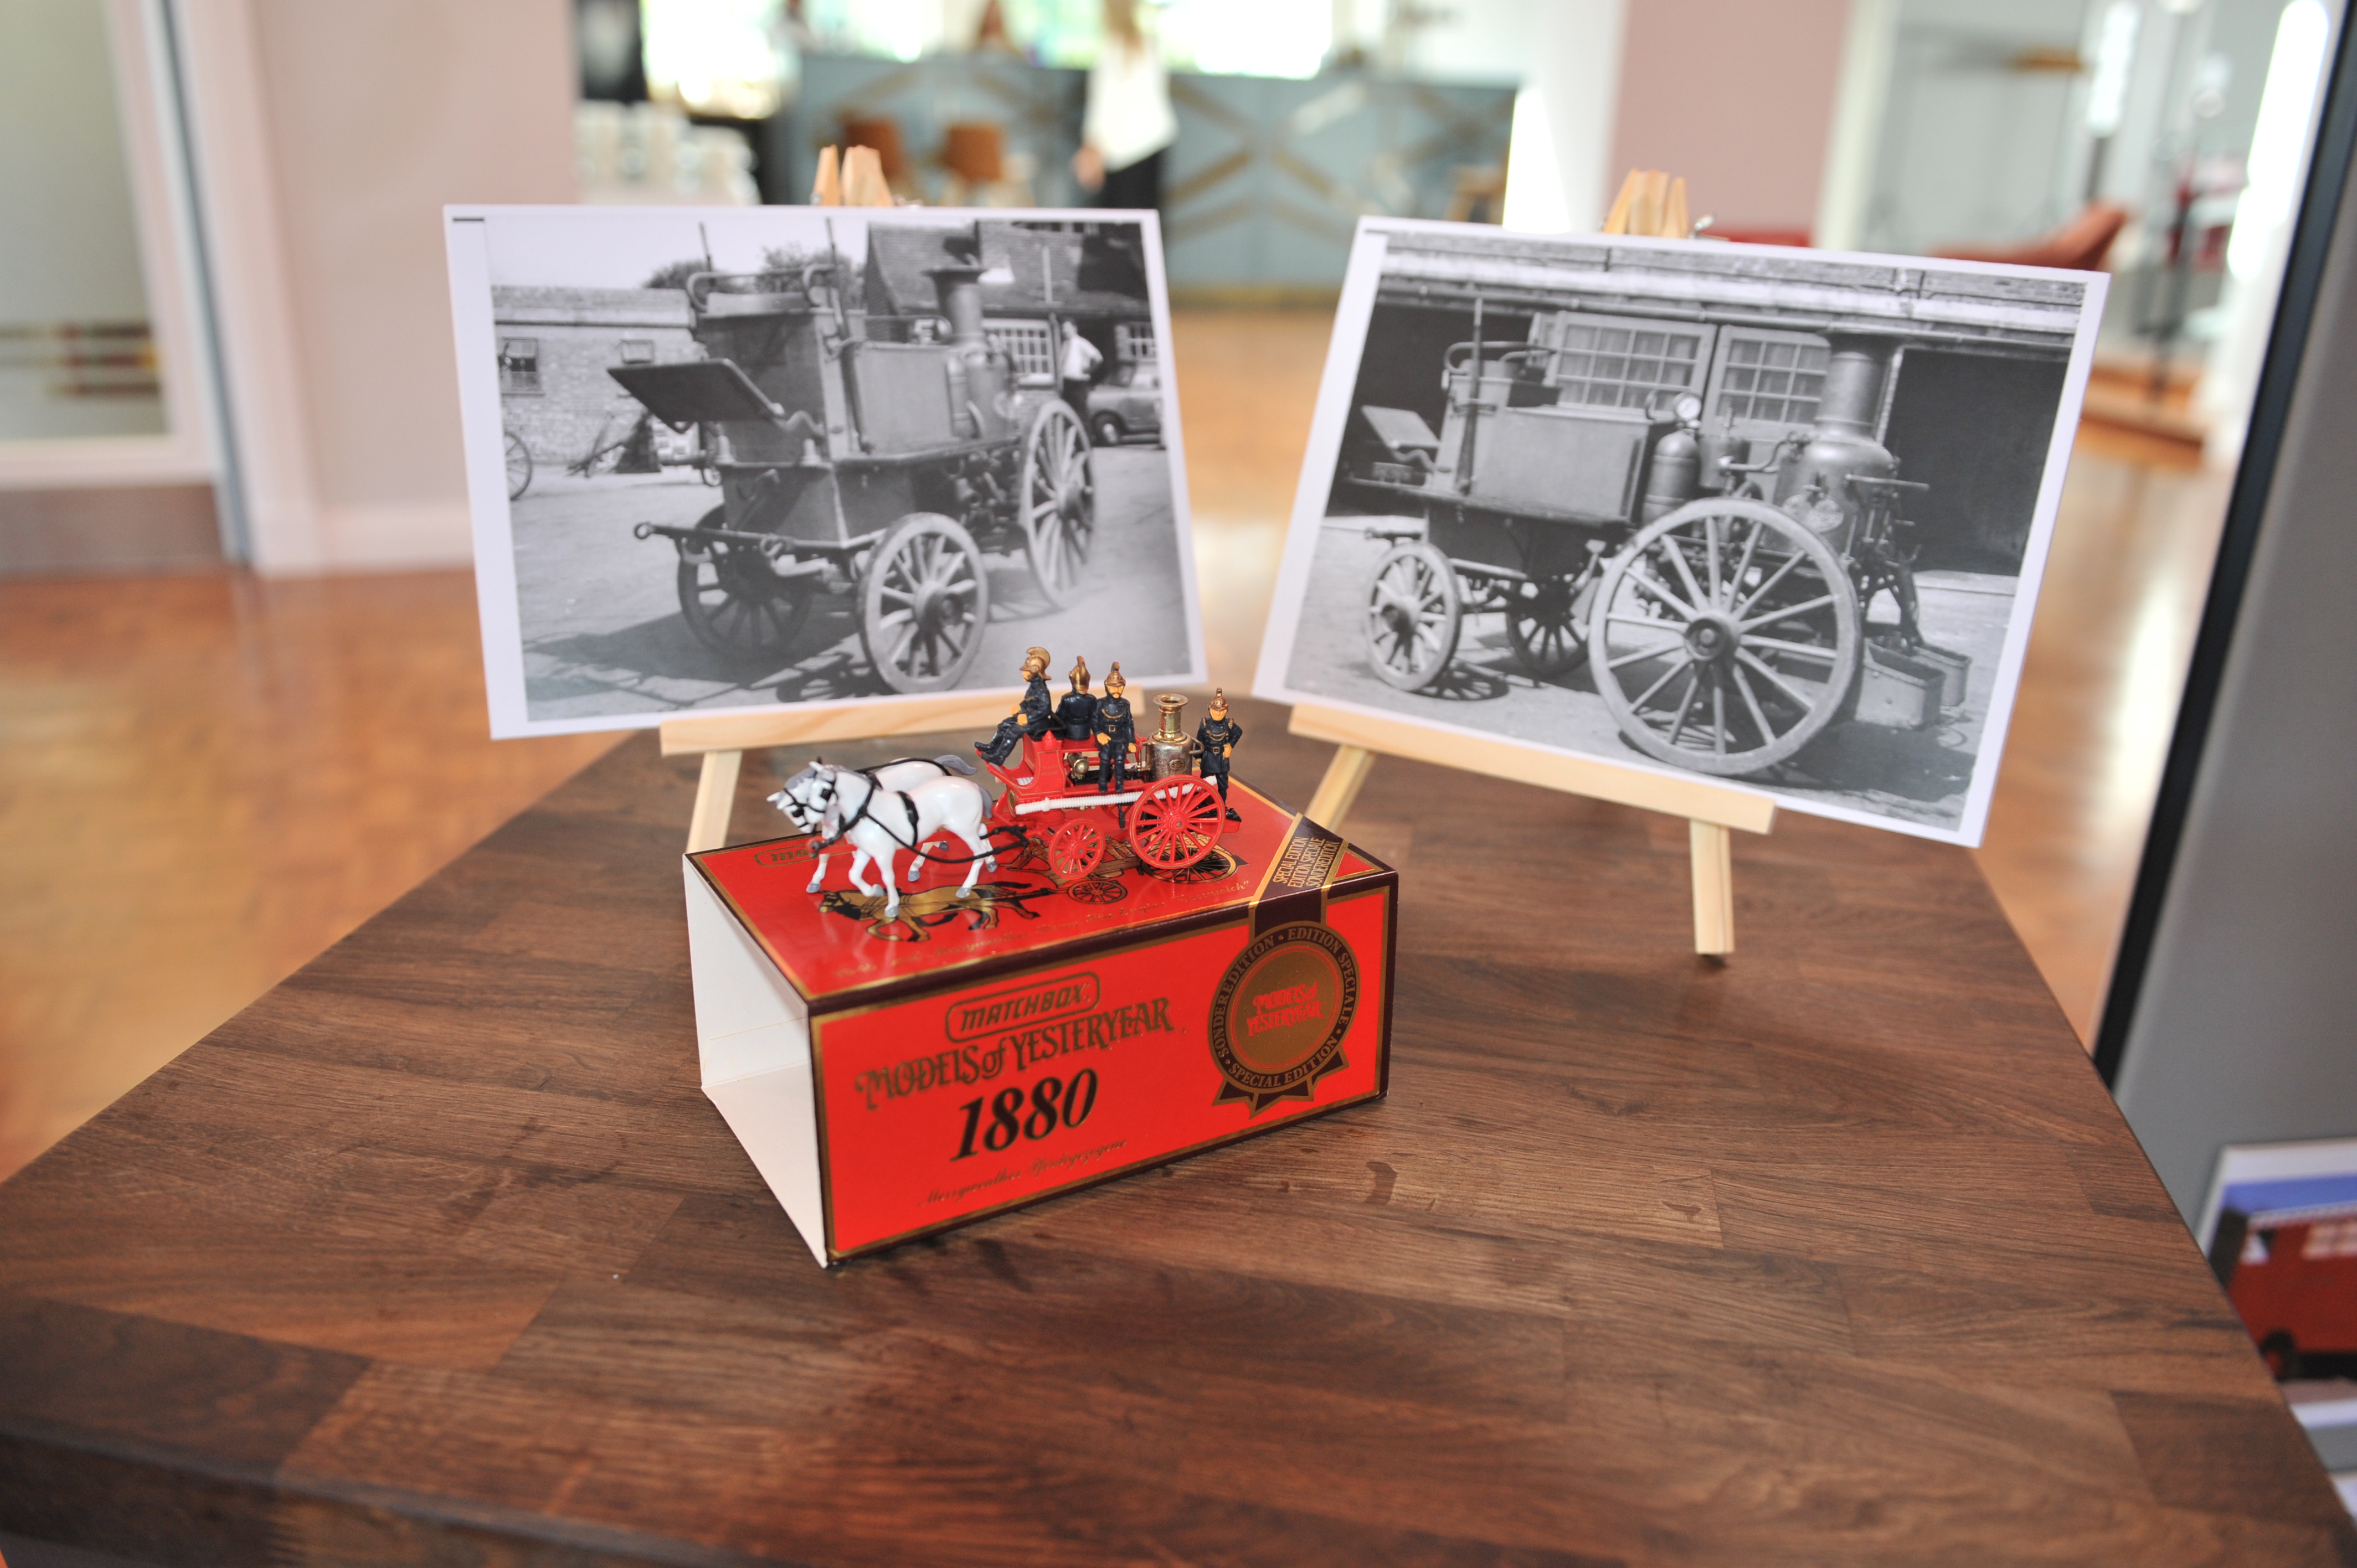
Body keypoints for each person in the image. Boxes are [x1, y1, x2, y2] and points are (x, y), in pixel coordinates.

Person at [1072, 0, 1174, 213]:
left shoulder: (1111, 48)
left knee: (1120, 232)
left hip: (1123, 157)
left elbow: (1105, 107)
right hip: (1151, 149)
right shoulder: (1149, 45)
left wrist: (1092, 148)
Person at [976, 646, 1054, 766]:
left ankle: (999, 757)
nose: (1023, 673)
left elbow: (1045, 711)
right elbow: (1028, 703)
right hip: (1030, 718)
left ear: (1034, 670)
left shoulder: (1042, 690)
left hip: (1039, 723)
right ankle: (993, 747)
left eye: (1026, 671)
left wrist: (1028, 718)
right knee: (1005, 724)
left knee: (1014, 731)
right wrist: (1020, 708)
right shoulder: (1034, 687)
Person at [1195, 687, 1243, 821]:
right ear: (1210, 710)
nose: (1217, 714)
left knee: (1223, 785)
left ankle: (1221, 807)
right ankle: (1203, 806)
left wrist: (1230, 745)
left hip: (1222, 759)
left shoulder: (1230, 724)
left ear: (1226, 711)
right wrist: (1198, 756)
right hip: (1208, 757)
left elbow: (1239, 732)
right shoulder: (1205, 724)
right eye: (1215, 711)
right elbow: (1199, 740)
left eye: (1221, 711)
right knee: (1204, 784)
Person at [1093, 662, 1134, 793]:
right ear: (1107, 686)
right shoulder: (1100, 703)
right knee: (1105, 756)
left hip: (1120, 736)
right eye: (1113, 686)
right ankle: (1103, 783)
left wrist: (1131, 741)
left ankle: (1119, 784)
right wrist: (1099, 733)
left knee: (1120, 757)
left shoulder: (1125, 704)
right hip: (1105, 735)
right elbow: (1094, 720)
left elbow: (1129, 723)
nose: (1117, 689)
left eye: (1120, 686)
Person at [1058, 321, 1102, 426]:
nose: (1064, 331)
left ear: (1075, 329)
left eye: (1067, 328)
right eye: (1063, 328)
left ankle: (1086, 440)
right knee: (1068, 414)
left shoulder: (1081, 342)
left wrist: (1090, 369)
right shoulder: (1064, 345)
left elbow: (1098, 358)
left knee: (1081, 414)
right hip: (1067, 383)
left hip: (1078, 383)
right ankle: (1073, 441)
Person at [1055, 656, 1099, 741]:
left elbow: (1060, 717)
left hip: (1069, 732)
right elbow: (1094, 718)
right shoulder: (1092, 699)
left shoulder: (1066, 699)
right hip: (1085, 732)